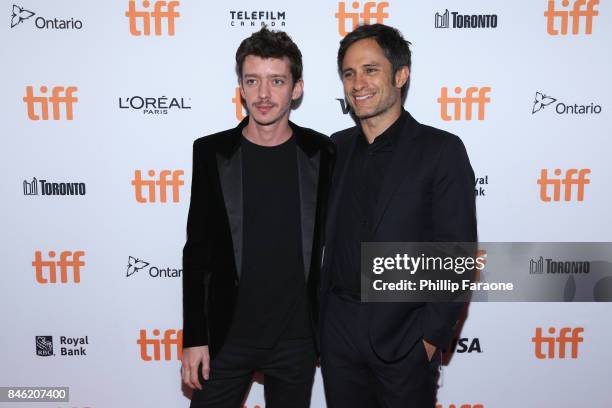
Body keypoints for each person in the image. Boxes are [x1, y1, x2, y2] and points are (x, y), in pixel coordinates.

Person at [320, 23, 477, 408]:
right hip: (338, 333)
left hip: (404, 336)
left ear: (401, 75)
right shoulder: (334, 148)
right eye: (349, 73)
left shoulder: (441, 150)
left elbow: (456, 254)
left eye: (371, 70)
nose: (358, 83)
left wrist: (428, 339)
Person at [181, 27, 334, 408]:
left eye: (276, 81)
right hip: (225, 339)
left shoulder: (323, 152)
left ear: (296, 88)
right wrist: (194, 337)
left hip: (296, 341)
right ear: (241, 88)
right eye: (253, 81)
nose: (264, 94)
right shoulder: (211, 153)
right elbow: (197, 251)